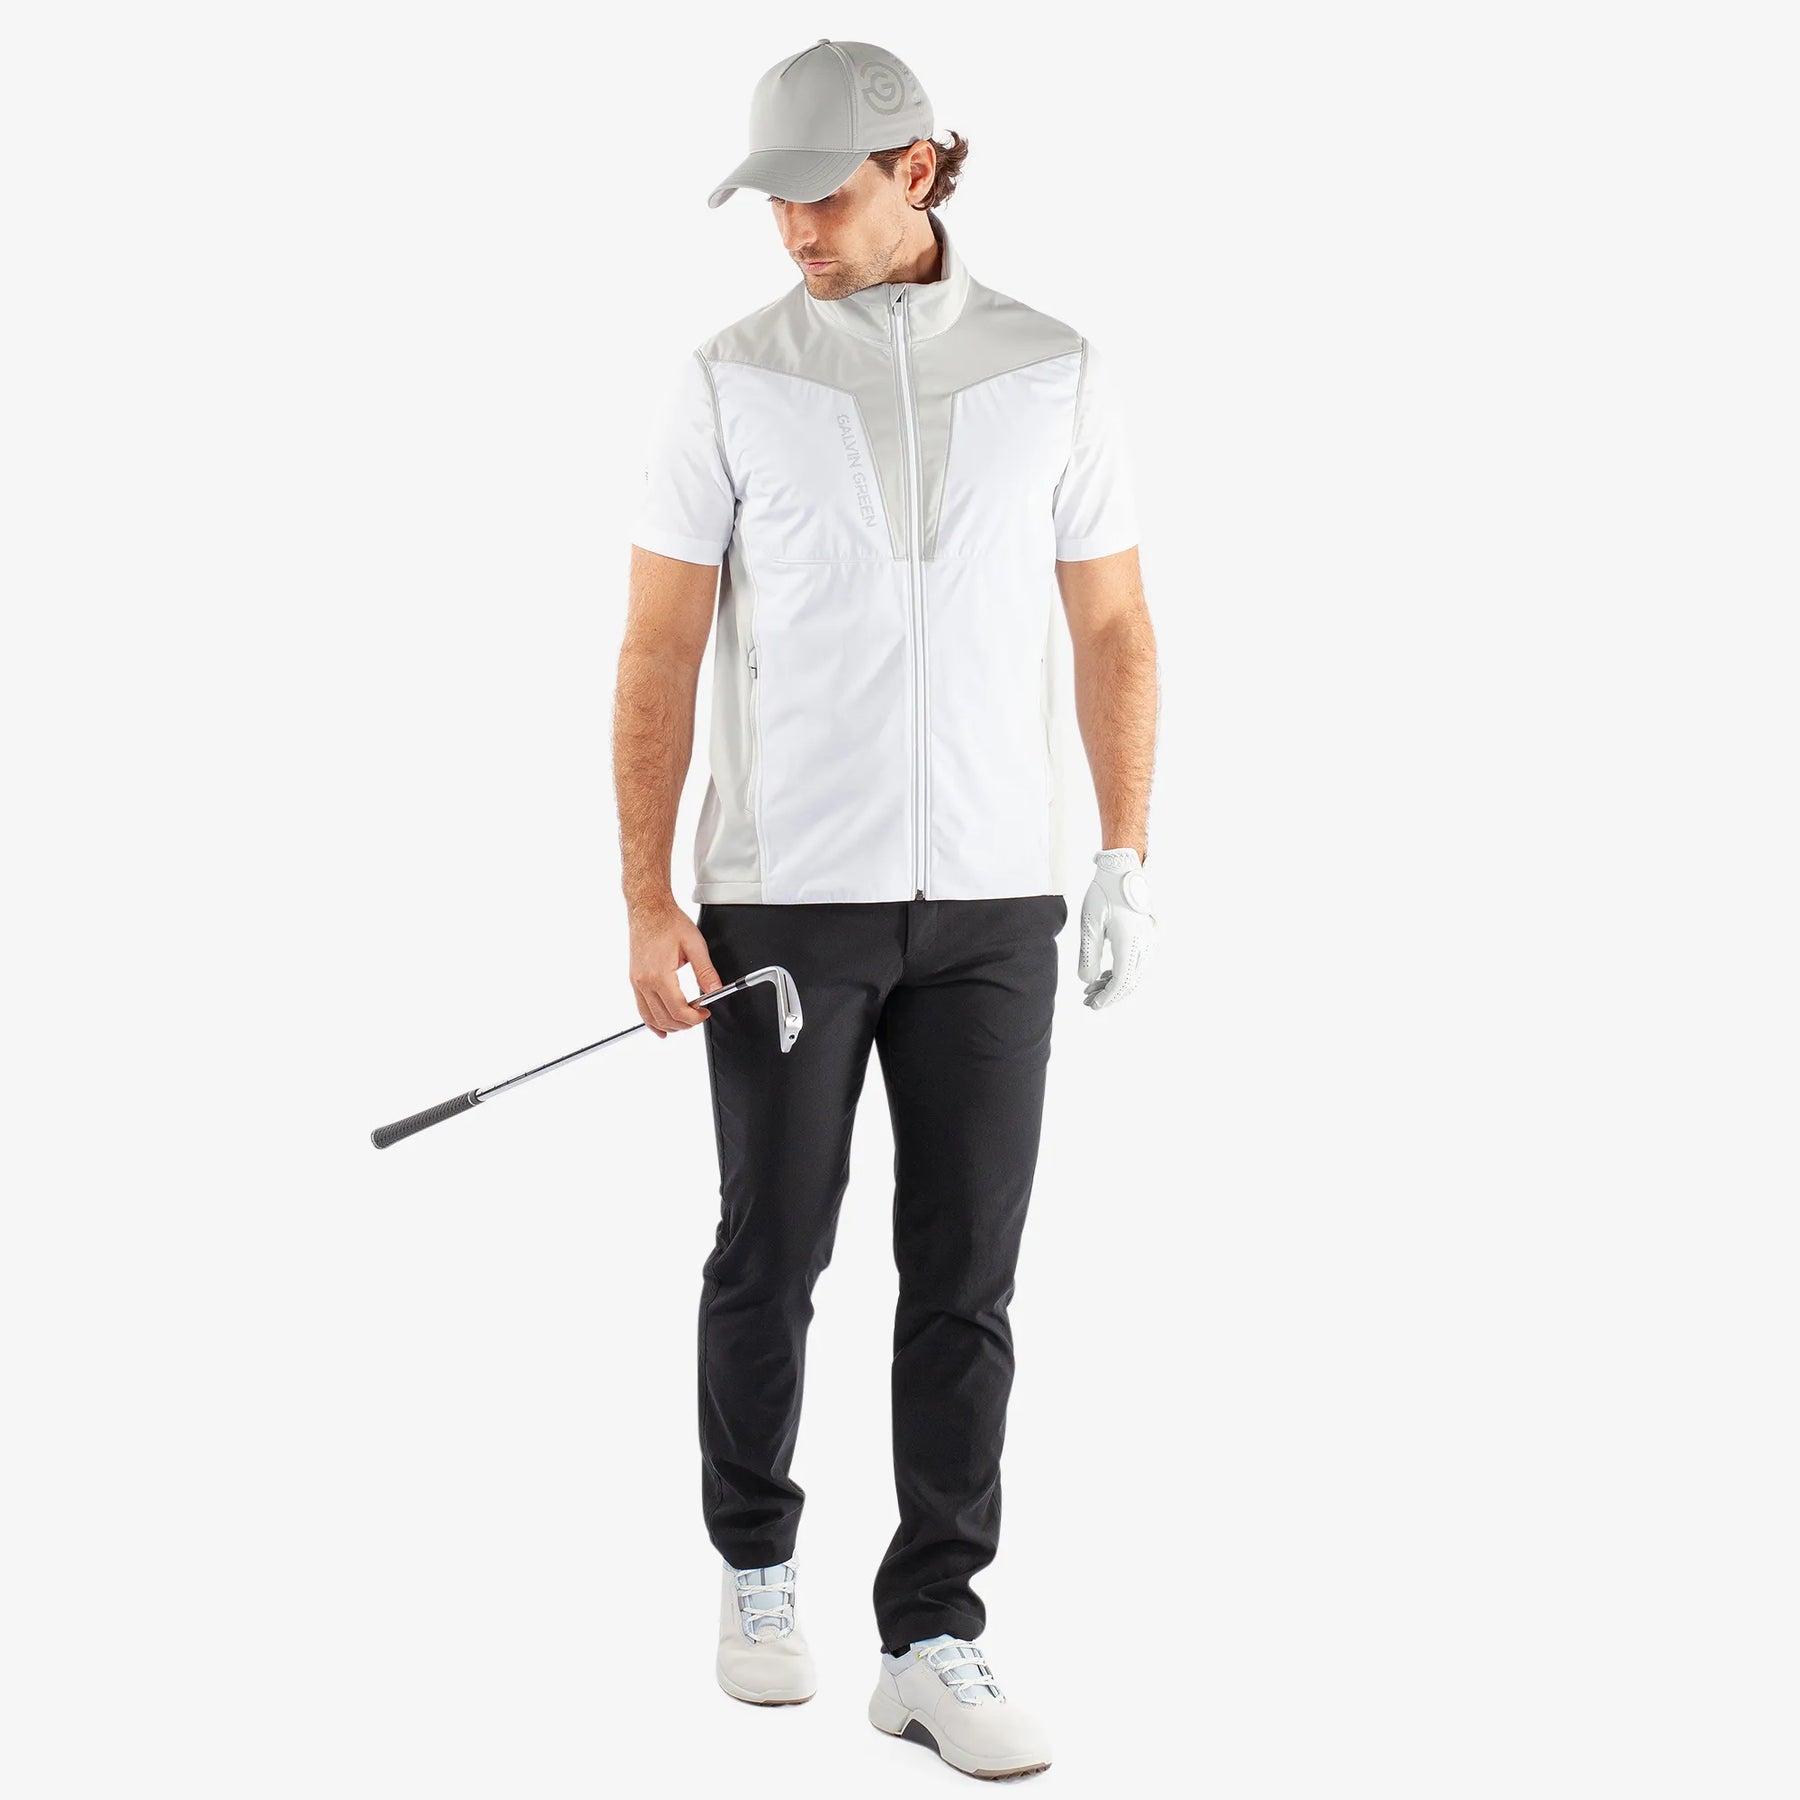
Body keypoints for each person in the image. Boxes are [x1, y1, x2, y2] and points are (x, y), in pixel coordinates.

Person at [611, 38, 1159, 1781]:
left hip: (995, 904)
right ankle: (755, 1564)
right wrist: (646, 897)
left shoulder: (1053, 368)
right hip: (785, 902)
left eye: (823, 194)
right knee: (771, 1248)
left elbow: (1113, 625)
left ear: (919, 169)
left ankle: (930, 1633)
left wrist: (1123, 854)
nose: (792, 231)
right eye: (769, 201)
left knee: (967, 1277)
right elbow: (660, 646)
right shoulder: (730, 378)